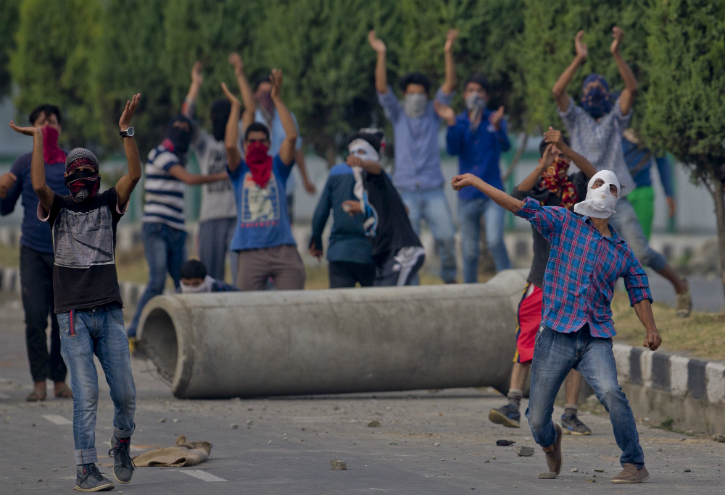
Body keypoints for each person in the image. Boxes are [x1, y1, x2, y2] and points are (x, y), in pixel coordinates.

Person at [452, 167, 661, 484]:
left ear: (618, 199)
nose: (604, 189)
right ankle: (550, 443)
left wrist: (651, 329)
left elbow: (640, 290)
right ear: (588, 190)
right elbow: (518, 206)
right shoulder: (563, 223)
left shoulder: (622, 252)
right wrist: (477, 182)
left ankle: (635, 463)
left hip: (595, 338)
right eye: (598, 183)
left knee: (610, 392)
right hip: (555, 336)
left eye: (612, 187)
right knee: (536, 418)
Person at [10, 94, 143, 491]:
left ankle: (121, 443)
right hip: (72, 318)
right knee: (86, 393)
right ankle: (85, 470)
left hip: (110, 314)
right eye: (75, 171)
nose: (81, 175)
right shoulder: (58, 210)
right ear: (66, 179)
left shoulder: (108, 205)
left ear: (98, 177)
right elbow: (36, 184)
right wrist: (37, 138)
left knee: (126, 395)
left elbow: (134, 174)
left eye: (88, 170)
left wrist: (126, 130)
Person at [552, 27, 691, 317]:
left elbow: (631, 89)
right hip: (584, 200)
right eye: (589, 88)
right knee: (585, 258)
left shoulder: (615, 120)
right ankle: (589, 312)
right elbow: (558, 91)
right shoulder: (576, 119)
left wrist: (616, 54)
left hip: (618, 198)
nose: (594, 92)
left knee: (639, 252)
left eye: (599, 89)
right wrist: (579, 59)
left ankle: (680, 286)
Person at [488, 128, 596, 435]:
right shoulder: (540, 194)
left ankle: (571, 413)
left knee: (576, 346)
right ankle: (512, 404)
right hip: (540, 281)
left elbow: (597, 175)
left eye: (562, 155)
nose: (558, 159)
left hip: (575, 284)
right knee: (526, 340)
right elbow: (515, 198)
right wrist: (542, 165)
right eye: (553, 155)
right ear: (541, 159)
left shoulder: (579, 188)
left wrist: (567, 148)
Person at [126, 97, 229, 341]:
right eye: (179, 129)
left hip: (177, 229)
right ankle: (134, 331)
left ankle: (180, 334)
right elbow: (189, 179)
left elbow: (186, 118)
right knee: (157, 280)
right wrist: (225, 175)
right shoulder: (159, 154)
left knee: (183, 283)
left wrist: (194, 85)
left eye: (187, 130)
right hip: (157, 227)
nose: (183, 132)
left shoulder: (180, 155)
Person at [369, 29, 458, 284]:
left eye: (420, 93)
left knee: (447, 237)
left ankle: (450, 281)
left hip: (433, 189)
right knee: (409, 245)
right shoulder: (397, 114)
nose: (416, 98)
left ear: (427, 96)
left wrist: (448, 51)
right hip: (405, 190)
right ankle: (412, 288)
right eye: (411, 93)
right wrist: (381, 53)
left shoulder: (433, 112)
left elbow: (450, 85)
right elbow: (381, 88)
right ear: (405, 95)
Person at [0, 104, 73, 402]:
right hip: (32, 251)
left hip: (65, 253)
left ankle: (59, 380)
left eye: (52, 121)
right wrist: (1, 192)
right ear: (31, 128)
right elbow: (6, 209)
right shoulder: (22, 163)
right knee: (33, 318)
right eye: (41, 122)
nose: (47, 126)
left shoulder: (70, 162)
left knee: (63, 320)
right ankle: (39, 382)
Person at [222, 70, 306, 291]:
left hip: (283, 249)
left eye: (262, 141)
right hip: (250, 251)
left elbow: (292, 137)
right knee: (248, 311)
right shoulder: (240, 170)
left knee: (294, 305)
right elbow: (230, 146)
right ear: (246, 145)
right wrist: (235, 108)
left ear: (269, 144)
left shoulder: (278, 166)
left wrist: (277, 98)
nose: (257, 145)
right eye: (252, 141)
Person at [435, 73, 512, 281]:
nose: (474, 95)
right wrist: (451, 123)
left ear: (486, 96)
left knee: (495, 240)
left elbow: (506, 145)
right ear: (464, 94)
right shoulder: (458, 120)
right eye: (470, 90)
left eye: (479, 91)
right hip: (467, 195)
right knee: (469, 251)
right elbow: (452, 150)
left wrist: (498, 128)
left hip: (492, 193)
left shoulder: (494, 118)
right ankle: (470, 293)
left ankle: (514, 286)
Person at [182, 62, 254, 283]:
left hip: (238, 217)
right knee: (211, 278)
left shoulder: (241, 138)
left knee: (241, 275)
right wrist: (195, 85)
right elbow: (186, 118)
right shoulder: (205, 143)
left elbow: (250, 110)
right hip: (210, 217)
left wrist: (241, 76)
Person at [229, 52, 315, 224]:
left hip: (283, 183)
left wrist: (305, 178)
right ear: (255, 94)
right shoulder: (253, 117)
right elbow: (249, 110)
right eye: (263, 93)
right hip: (256, 186)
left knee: (284, 229)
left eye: (270, 93)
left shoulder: (286, 117)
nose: (266, 97)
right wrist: (240, 75)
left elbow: (295, 145)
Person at [343, 130, 425, 286]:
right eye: (352, 152)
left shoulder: (376, 177)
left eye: (360, 152)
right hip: (384, 254)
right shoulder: (366, 185)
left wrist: (360, 162)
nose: (355, 156)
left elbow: (377, 168)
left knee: (389, 298)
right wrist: (361, 207)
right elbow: (402, 209)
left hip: (402, 251)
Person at [309, 135, 377, 288]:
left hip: (340, 253)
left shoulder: (336, 172)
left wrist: (317, 241)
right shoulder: (380, 175)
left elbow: (321, 212)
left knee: (340, 308)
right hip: (371, 254)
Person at [621, 128, 675, 240]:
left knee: (641, 243)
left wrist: (669, 193)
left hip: (642, 190)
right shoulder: (615, 123)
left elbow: (662, 162)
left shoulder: (651, 130)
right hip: (617, 192)